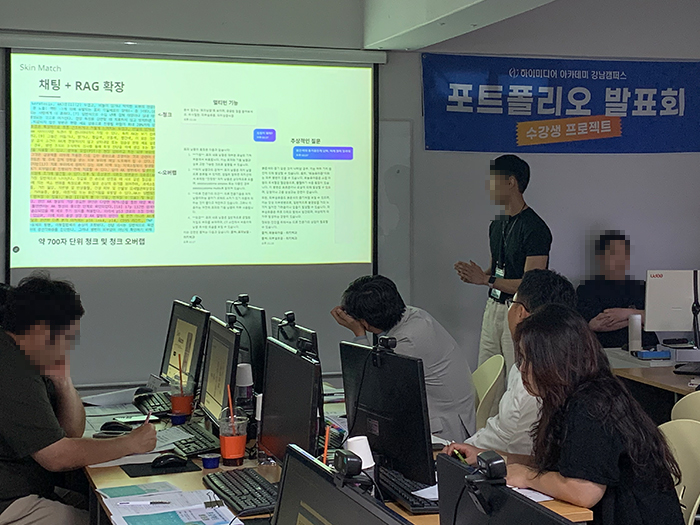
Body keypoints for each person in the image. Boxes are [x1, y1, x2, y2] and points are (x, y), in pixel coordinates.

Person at [504, 304, 684, 525]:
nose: (522, 368)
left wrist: (526, 476)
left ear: (552, 360)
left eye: (528, 359)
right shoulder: (579, 394)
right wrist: (505, 460)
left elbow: (583, 490)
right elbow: (563, 466)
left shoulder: (590, 406)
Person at [0, 275, 157, 525]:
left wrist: (62, 380)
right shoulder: (12, 368)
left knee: (103, 507)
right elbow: (56, 457)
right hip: (10, 503)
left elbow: (71, 433)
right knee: (110, 520)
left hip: (29, 489)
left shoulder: (25, 356)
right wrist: (130, 443)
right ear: (40, 331)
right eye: (67, 338)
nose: (67, 348)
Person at [443, 269, 576, 464]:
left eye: (511, 303)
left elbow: (520, 455)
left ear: (520, 312)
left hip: (495, 466)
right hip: (484, 455)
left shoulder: (531, 381)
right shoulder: (564, 363)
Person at [455, 155, 552, 415]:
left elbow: (530, 283)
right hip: (494, 307)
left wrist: (485, 279)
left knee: (516, 376)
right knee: (487, 377)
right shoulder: (497, 225)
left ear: (511, 182)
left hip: (519, 311)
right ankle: (484, 429)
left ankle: (515, 429)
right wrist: (478, 275)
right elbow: (498, 270)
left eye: (494, 180)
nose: (489, 186)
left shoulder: (535, 228)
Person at [331, 275, 477, 442]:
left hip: (442, 430)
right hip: (441, 411)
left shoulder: (407, 341)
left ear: (365, 322)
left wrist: (359, 334)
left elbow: (371, 387)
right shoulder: (413, 314)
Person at [577, 231, 658, 349]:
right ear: (601, 257)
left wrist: (625, 314)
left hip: (647, 350)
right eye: (614, 253)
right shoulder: (587, 289)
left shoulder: (642, 287)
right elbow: (595, 325)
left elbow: (656, 319)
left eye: (624, 254)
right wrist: (637, 317)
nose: (620, 259)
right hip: (607, 351)